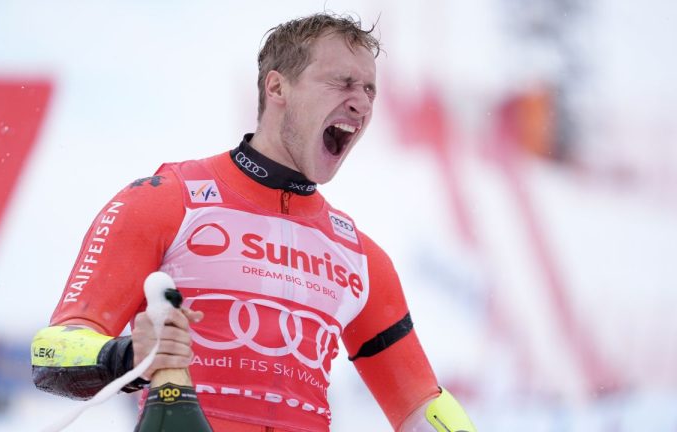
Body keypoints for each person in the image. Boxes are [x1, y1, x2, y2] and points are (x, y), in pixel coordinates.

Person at [31, 12, 476, 432]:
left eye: (370, 90)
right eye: (342, 83)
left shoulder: (360, 257)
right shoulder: (167, 200)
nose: (361, 103)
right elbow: (50, 353)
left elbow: (421, 405)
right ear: (277, 87)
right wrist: (129, 356)